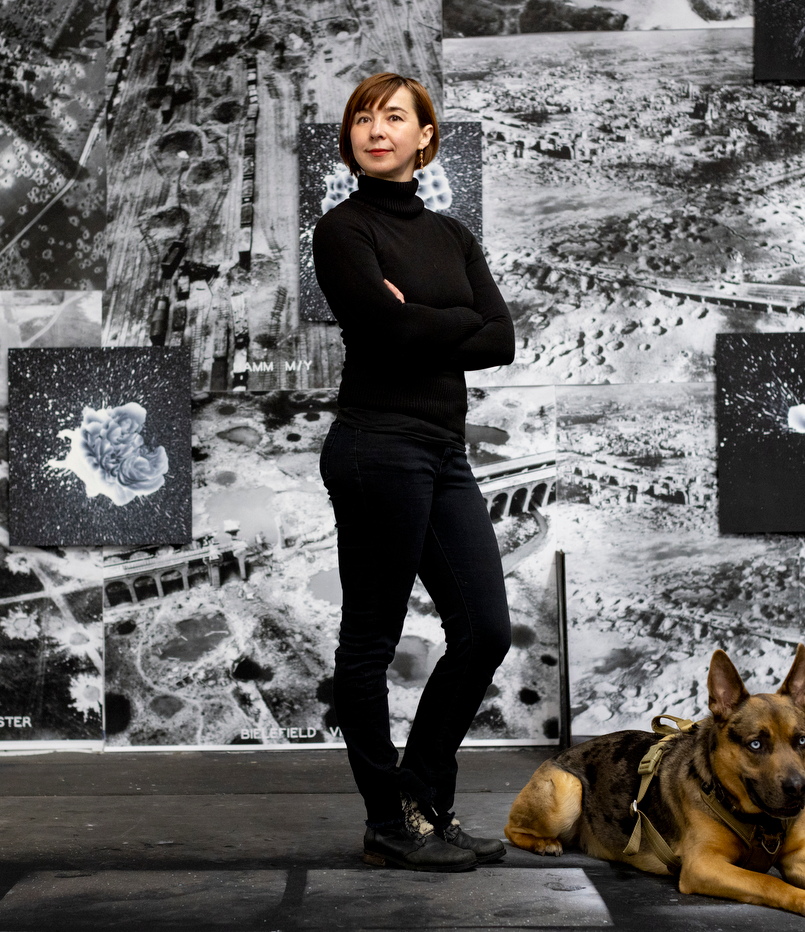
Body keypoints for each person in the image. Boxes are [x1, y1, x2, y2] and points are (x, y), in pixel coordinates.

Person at [313, 72, 517, 872]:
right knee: (370, 639)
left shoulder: (453, 236)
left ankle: (425, 800)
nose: (376, 127)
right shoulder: (342, 230)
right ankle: (388, 821)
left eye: (395, 116)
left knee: (485, 631)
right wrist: (449, 321)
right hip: (375, 447)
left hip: (442, 450)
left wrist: (418, 318)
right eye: (364, 116)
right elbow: (387, 334)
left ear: (426, 136)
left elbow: (500, 338)